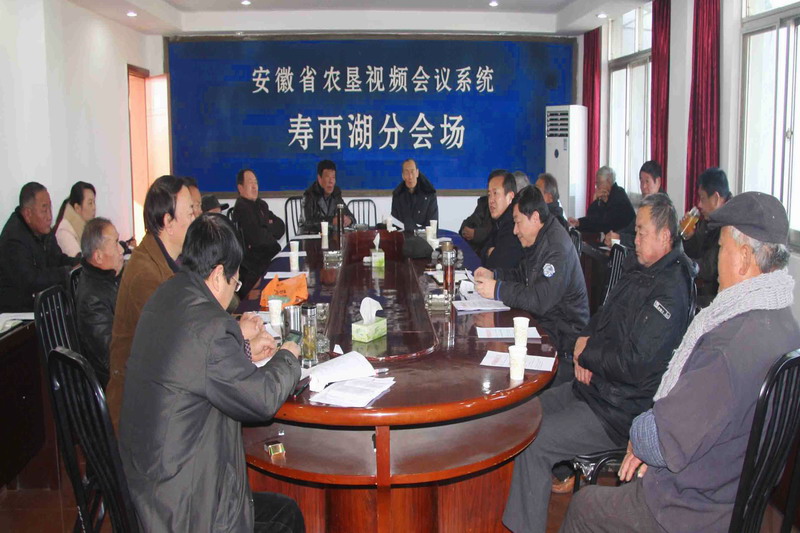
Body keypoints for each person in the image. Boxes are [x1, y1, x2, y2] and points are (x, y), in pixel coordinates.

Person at [561, 192, 799, 533]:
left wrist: (641, 430)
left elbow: (659, 440)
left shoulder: (727, 347)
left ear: (745, 258)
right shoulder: (787, 327)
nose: (715, 261)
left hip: (687, 510)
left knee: (584, 507)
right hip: (738, 503)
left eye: (721, 248)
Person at [503, 193, 695, 533]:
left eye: (641, 232)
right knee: (523, 414)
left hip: (617, 410)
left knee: (535, 439)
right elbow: (605, 312)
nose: (634, 239)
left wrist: (587, 355)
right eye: (635, 231)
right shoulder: (641, 268)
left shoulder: (671, 290)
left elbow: (635, 363)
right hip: (596, 387)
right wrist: (583, 341)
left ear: (665, 237)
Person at [119, 213, 305, 532]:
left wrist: (243, 351)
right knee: (286, 517)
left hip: (148, 485)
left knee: (281, 510)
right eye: (235, 283)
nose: (234, 291)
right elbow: (262, 399)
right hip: (184, 507)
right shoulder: (211, 326)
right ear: (218, 275)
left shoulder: (166, 294)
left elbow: (190, 365)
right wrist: (289, 353)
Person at [475, 185, 588, 384]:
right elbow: (522, 275)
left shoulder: (556, 248)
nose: (515, 230)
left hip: (561, 346)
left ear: (535, 217)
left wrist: (497, 289)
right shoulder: (538, 238)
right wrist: (495, 274)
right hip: (542, 328)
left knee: (501, 371)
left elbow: (539, 300)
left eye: (518, 222)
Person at [108, 175, 196, 425]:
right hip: (140, 409)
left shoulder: (172, 259)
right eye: (190, 212)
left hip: (161, 389)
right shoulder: (146, 274)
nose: (195, 219)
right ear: (168, 222)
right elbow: (179, 346)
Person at [0, 182, 79, 312]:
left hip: (43, 307)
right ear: (28, 214)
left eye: (50, 208)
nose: (50, 216)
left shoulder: (42, 230)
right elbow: (32, 281)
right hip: (19, 314)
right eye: (44, 210)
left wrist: (79, 263)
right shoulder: (13, 239)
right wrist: (66, 272)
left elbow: (58, 259)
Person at [75, 217, 124, 388]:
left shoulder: (109, 279)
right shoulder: (92, 300)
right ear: (98, 256)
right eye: (116, 243)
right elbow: (113, 358)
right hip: (112, 385)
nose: (121, 250)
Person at [682, 167, 731, 307]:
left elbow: (710, 268)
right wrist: (689, 237)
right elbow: (698, 251)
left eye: (702, 198)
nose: (699, 204)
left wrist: (682, 262)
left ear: (715, 198)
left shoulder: (729, 226)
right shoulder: (709, 219)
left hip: (718, 297)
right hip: (704, 289)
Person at [232, 168, 285, 295]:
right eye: (250, 183)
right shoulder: (242, 209)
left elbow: (281, 227)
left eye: (256, 182)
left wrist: (264, 226)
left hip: (269, 258)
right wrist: (268, 225)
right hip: (254, 267)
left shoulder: (261, 205)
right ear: (240, 188)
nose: (254, 186)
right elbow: (259, 239)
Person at [604, 160, 665, 248]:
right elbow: (631, 229)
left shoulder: (663, 208)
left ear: (658, 182)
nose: (643, 186)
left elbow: (647, 240)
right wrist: (614, 235)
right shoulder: (647, 203)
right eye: (641, 181)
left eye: (647, 181)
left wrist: (620, 238)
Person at [568, 166, 635, 233]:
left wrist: (595, 201)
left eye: (599, 183)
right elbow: (592, 219)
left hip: (624, 238)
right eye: (596, 183)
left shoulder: (619, 196)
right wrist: (578, 222)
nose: (597, 186)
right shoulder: (606, 196)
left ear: (609, 181)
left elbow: (602, 223)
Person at [480, 170, 523, 270]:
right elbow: (483, 252)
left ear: (510, 197)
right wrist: (489, 252)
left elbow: (497, 264)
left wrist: (491, 253)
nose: (491, 200)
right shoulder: (499, 221)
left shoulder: (514, 224)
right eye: (489, 194)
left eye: (495, 193)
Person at [301, 160, 355, 233]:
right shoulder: (309, 194)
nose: (331, 181)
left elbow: (350, 216)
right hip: (310, 236)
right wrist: (331, 221)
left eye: (333, 177)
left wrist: (349, 220)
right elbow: (307, 223)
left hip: (330, 235)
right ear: (319, 178)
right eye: (327, 177)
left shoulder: (336, 193)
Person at [391, 159, 438, 230]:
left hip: (424, 235)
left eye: (412, 172)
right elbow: (395, 223)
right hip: (403, 234)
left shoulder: (429, 194)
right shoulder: (398, 195)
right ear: (403, 175)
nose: (410, 176)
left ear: (417, 173)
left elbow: (433, 224)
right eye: (406, 173)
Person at [54, 181, 96, 257]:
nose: (94, 208)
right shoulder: (65, 232)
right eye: (90, 203)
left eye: (94, 202)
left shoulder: (88, 230)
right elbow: (78, 261)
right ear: (77, 208)